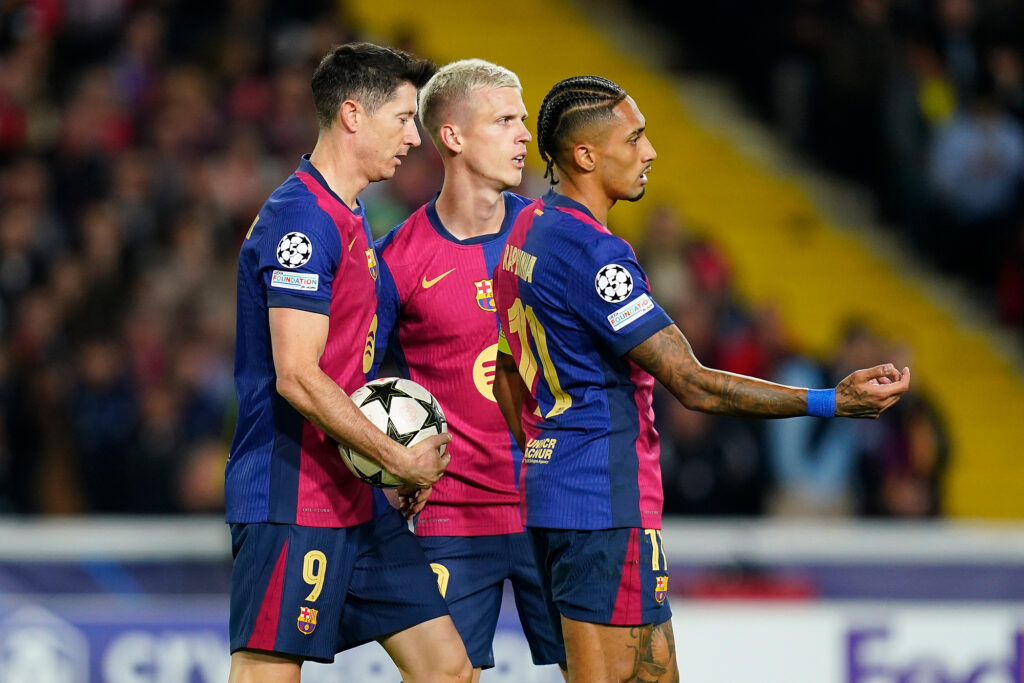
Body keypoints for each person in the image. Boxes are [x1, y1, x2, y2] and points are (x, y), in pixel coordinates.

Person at [491, 75, 911, 683]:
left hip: (566, 494)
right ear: (585, 155)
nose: (650, 151)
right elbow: (693, 383)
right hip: (602, 505)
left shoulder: (523, 233)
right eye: (634, 138)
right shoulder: (594, 254)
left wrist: (540, 453)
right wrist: (830, 401)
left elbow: (506, 370)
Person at [224, 42, 472, 683]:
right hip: (292, 493)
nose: (415, 139)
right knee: (268, 673)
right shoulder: (301, 222)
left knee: (449, 670)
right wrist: (396, 456)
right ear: (353, 115)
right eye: (403, 118)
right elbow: (298, 375)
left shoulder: (352, 215)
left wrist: (382, 464)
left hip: (355, 493)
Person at [372, 59, 567, 681]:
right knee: (445, 676)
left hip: (558, 507)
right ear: (451, 137)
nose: (524, 135)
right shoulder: (396, 261)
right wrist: (385, 465)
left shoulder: (560, 239)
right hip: (450, 514)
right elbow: (357, 381)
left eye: (522, 119)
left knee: (604, 675)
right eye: (505, 120)